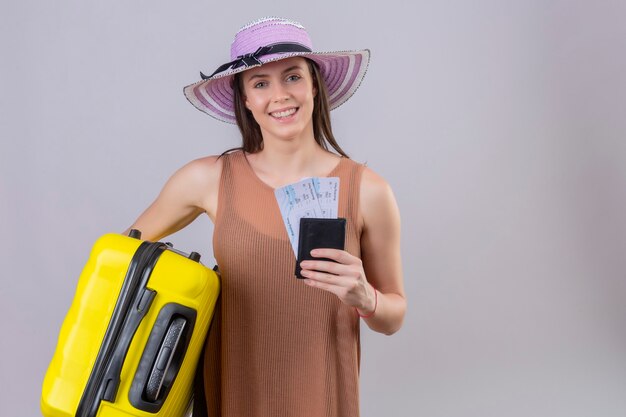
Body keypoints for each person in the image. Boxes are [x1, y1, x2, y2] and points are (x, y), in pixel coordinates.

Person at [123, 17, 406, 417]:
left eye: (292, 77)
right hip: (231, 391)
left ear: (314, 86)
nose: (279, 95)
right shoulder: (207, 178)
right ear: (246, 101)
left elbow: (394, 316)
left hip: (321, 396)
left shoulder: (369, 191)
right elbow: (122, 258)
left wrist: (365, 296)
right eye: (260, 83)